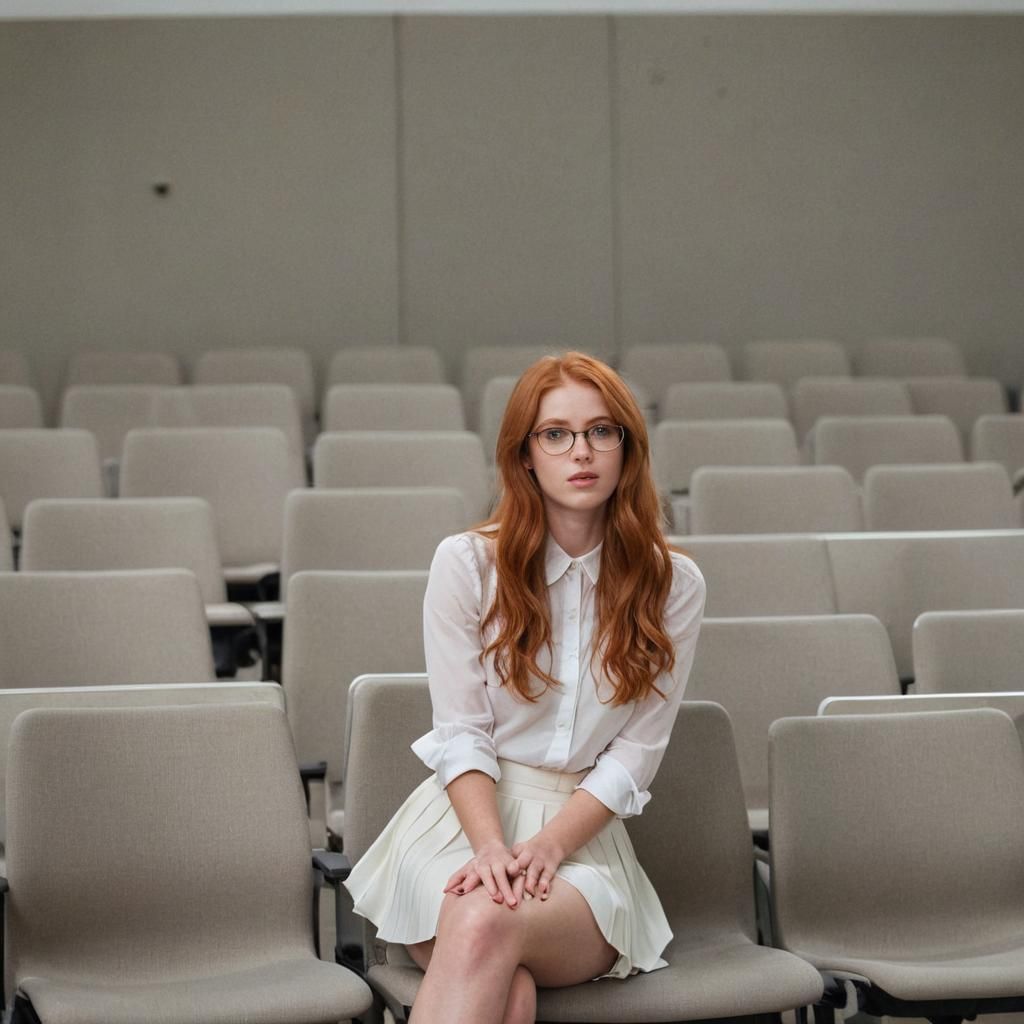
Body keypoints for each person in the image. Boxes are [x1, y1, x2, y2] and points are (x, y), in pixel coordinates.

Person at [345, 351, 706, 1024]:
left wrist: (547, 847)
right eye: (556, 434)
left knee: (485, 926)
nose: (582, 452)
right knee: (502, 980)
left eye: (603, 431)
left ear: (629, 449)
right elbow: (462, 734)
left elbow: (636, 753)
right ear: (525, 455)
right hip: (457, 832)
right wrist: (491, 847)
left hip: (579, 846)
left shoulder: (673, 584)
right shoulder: (466, 564)